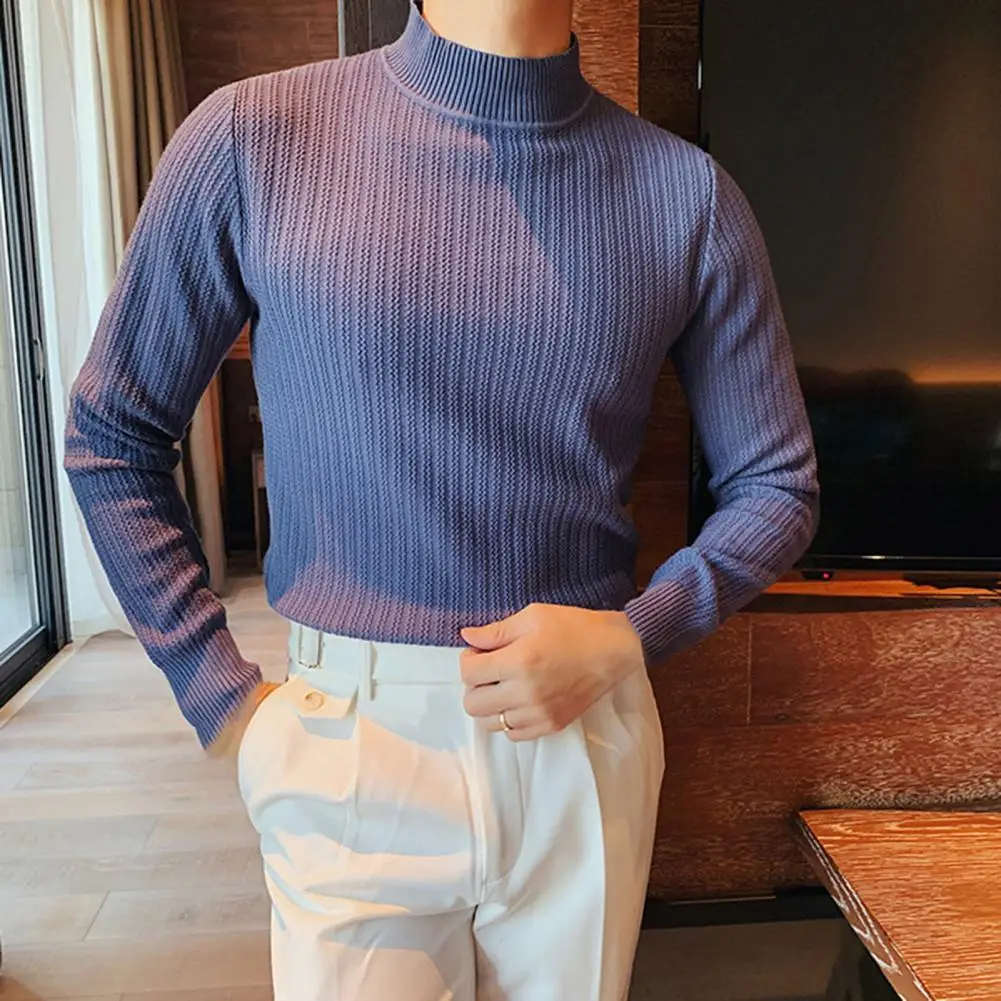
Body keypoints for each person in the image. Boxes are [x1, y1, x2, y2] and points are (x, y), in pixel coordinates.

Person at [64, 0, 819, 997]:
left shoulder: (686, 196)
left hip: (580, 733)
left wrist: (636, 633)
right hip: (344, 739)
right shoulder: (254, 138)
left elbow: (776, 483)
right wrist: (228, 703)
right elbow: (113, 435)